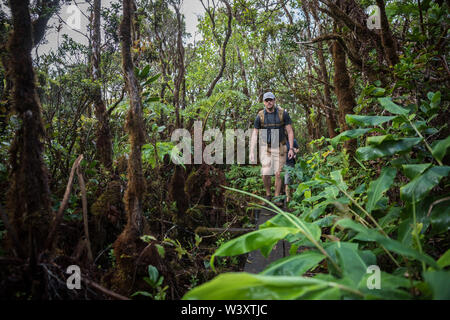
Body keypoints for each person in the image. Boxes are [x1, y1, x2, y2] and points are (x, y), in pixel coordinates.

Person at [250, 92, 295, 206]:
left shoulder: (282, 114)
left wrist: (291, 149)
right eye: (266, 100)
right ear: (264, 102)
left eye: (271, 100)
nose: (269, 102)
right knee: (265, 173)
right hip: (266, 148)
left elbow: (289, 131)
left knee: (278, 173)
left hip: (280, 147)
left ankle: (276, 197)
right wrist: (252, 151)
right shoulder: (260, 116)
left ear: (274, 100)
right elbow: (255, 134)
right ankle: (268, 194)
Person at [284, 137, 299, 204]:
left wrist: (295, 152)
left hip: (290, 163)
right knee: (285, 181)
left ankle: (289, 199)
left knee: (289, 181)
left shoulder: (293, 140)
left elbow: (297, 149)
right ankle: (287, 198)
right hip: (282, 163)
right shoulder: (281, 140)